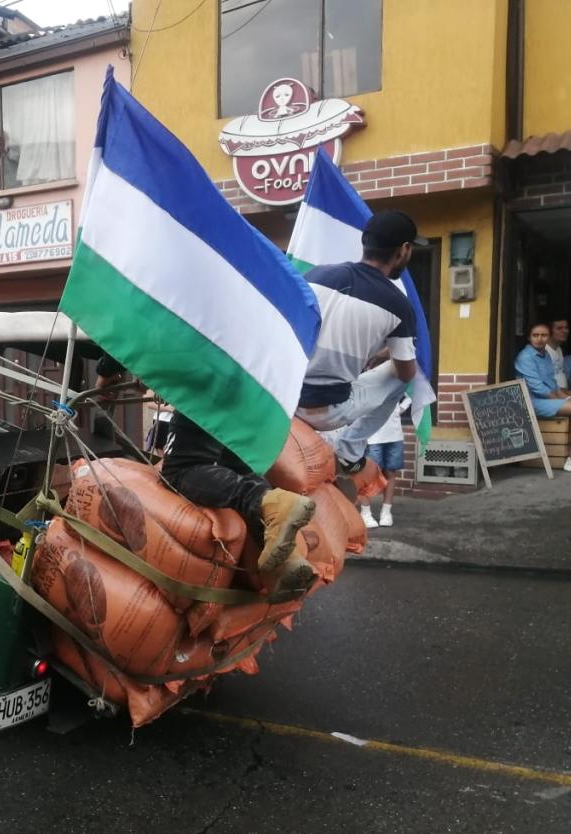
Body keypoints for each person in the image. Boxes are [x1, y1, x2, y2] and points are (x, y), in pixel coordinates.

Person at [95, 356, 318, 592]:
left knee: (180, 469)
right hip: (254, 379)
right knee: (234, 465)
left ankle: (268, 502)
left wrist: (108, 369)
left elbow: (145, 325)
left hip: (211, 374)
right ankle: (286, 559)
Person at [296, 210, 424, 472]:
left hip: (289, 397)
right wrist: (388, 354)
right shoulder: (399, 305)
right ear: (404, 250)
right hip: (329, 411)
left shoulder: (314, 276)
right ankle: (349, 450)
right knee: (408, 372)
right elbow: (405, 372)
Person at [514, 322, 571, 473]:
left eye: (543, 335)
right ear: (529, 337)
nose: (539, 339)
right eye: (535, 335)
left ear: (548, 337)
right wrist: (563, 400)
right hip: (533, 402)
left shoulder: (545, 355)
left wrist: (567, 396)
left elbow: (552, 384)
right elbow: (538, 388)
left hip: (547, 399)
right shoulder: (525, 357)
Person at [361, 397, 410, 528]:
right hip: (372, 434)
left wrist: (401, 408)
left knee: (391, 471)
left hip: (394, 433)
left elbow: (411, 391)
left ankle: (386, 512)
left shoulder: (398, 379)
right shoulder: (366, 377)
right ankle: (365, 513)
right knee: (368, 473)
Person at [547, 318, 571, 391]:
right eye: (559, 328)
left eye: (566, 328)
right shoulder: (544, 351)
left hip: (564, 394)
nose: (565, 331)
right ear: (549, 331)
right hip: (553, 396)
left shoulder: (559, 349)